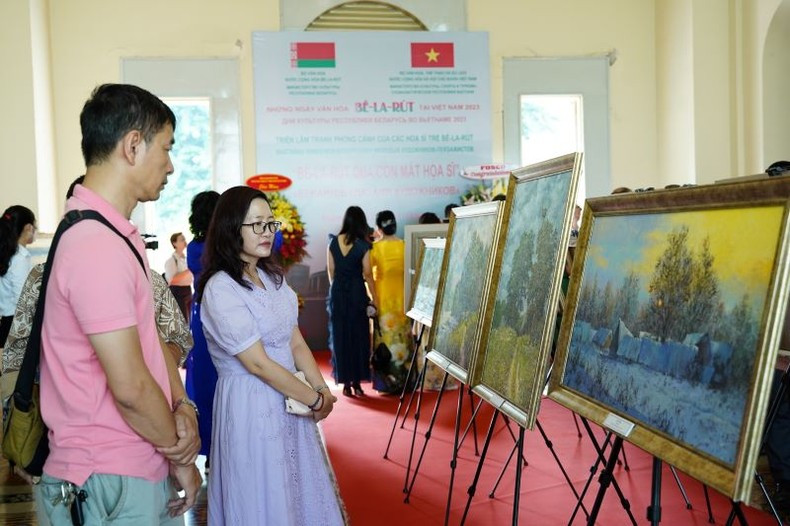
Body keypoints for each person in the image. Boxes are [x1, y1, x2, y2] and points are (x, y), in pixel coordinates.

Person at [37, 84, 201, 525]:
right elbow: (128, 387)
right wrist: (182, 455)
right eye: (165, 149)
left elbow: (147, 341)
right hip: (107, 476)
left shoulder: (113, 235)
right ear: (132, 145)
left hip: (132, 464)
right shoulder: (94, 245)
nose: (170, 165)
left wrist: (183, 405)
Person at [197, 186, 344, 525]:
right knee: (263, 498)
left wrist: (322, 391)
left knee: (296, 492)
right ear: (232, 228)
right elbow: (257, 363)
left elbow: (295, 342)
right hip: (252, 404)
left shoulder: (270, 276)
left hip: (290, 402)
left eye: (270, 224)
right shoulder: (221, 287)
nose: (267, 233)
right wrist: (311, 398)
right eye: (257, 225)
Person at [184, 189, 220, 472]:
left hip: (200, 317)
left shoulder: (194, 248)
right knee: (224, 381)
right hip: (223, 315)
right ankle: (224, 446)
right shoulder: (225, 247)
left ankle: (208, 451)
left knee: (204, 383)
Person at [327, 206, 378, 397]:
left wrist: (338, 289)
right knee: (359, 337)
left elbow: (331, 272)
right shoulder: (363, 245)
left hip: (338, 294)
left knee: (340, 337)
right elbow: (367, 274)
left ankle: (345, 383)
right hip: (357, 293)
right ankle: (357, 383)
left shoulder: (332, 242)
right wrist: (375, 298)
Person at [370, 210, 411, 393]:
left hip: (383, 300)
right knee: (403, 338)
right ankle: (405, 382)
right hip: (403, 301)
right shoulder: (405, 245)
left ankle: (386, 384)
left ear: (378, 228)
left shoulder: (374, 248)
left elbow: (368, 276)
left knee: (385, 340)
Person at [0, 205, 36, 347]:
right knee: (17, 369)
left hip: (7, 321)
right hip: (17, 325)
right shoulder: (20, 258)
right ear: (28, 228)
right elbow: (23, 298)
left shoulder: (6, 253)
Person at [164, 232, 193, 322]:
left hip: (188, 291)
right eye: (181, 240)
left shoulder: (187, 259)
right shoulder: (171, 261)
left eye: (184, 239)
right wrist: (189, 270)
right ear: (174, 243)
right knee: (183, 321)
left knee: (189, 321)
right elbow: (171, 280)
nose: (185, 241)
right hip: (178, 294)